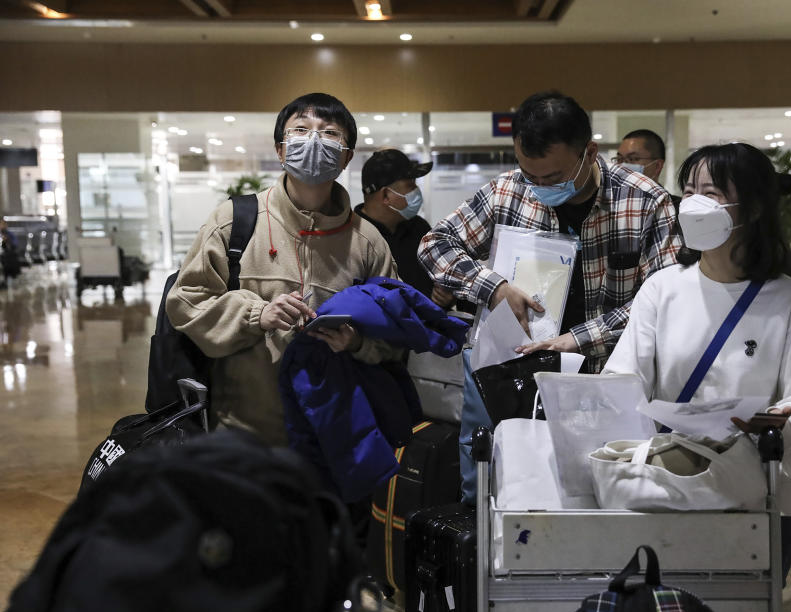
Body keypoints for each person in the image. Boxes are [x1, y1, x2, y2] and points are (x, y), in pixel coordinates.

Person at [418, 90, 681, 501]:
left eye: (555, 177)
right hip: (512, 375)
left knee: (599, 496)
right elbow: (435, 245)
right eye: (531, 175)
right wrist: (494, 287)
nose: (540, 187)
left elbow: (663, 298)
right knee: (501, 494)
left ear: (590, 152)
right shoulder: (507, 192)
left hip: (603, 380)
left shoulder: (644, 202)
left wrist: (578, 338)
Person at [603, 142, 791, 582]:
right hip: (670, 485)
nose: (694, 204)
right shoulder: (661, 288)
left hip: (757, 495)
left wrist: (785, 423)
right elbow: (622, 379)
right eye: (688, 191)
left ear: (755, 208)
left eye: (712, 192)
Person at [166, 93, 400, 446]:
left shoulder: (368, 242)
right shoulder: (233, 221)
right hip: (243, 436)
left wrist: (357, 343)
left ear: (347, 157)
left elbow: (396, 332)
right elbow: (186, 302)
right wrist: (256, 314)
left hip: (335, 440)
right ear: (280, 150)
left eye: (330, 132)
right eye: (301, 130)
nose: (315, 139)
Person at [355, 148, 453, 307]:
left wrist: (445, 296)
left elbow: (441, 279)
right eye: (410, 185)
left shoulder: (420, 228)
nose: (417, 191)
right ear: (386, 195)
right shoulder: (354, 236)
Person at [613, 129, 681, 211]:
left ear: (657, 166)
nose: (622, 166)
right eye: (619, 159)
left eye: (632, 158)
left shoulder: (676, 209)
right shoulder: (610, 206)